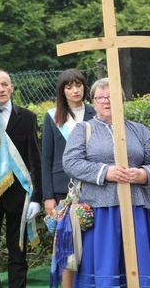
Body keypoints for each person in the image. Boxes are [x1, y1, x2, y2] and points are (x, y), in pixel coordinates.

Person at [63, 78, 150, 287]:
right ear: (93, 101)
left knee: (135, 264)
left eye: (112, 97)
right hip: (99, 211)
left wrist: (143, 175)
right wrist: (105, 172)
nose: (107, 102)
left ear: (122, 100)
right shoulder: (83, 129)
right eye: (101, 98)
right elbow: (70, 162)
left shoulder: (139, 130)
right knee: (104, 267)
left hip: (135, 208)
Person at [0, 69, 42, 288]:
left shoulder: (28, 117)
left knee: (18, 251)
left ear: (12, 87)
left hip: (18, 194)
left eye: (5, 84)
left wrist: (36, 198)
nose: (1, 89)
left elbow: (35, 159)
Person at [41, 69, 96, 287]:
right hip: (61, 189)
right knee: (65, 245)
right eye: (69, 86)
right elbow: (45, 158)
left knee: (89, 241)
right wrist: (47, 196)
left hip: (92, 186)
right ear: (62, 90)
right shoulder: (53, 116)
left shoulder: (95, 113)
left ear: (84, 86)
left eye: (78, 85)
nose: (75, 90)